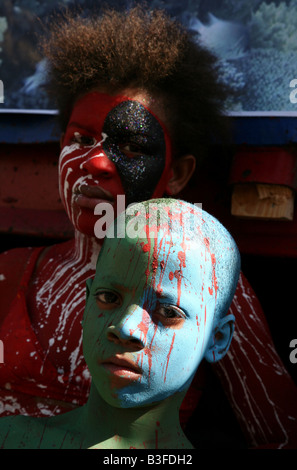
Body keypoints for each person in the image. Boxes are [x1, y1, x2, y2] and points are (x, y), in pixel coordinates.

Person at [0, 5, 296, 448]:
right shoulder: (10, 272)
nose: (96, 162)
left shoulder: (208, 284)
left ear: (177, 174)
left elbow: (280, 434)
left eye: (133, 146)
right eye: (80, 140)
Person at [0, 199, 240, 449]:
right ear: (87, 302)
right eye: (108, 297)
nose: (126, 328)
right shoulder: (10, 439)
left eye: (168, 312)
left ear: (217, 338)